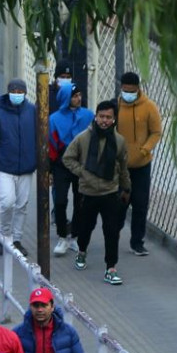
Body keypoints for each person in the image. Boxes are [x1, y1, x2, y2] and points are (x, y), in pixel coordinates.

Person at [63, 101, 131, 285]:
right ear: (96, 116)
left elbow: (123, 167)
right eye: (101, 116)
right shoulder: (83, 138)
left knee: (111, 230)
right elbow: (67, 158)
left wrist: (126, 188)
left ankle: (111, 268)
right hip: (88, 192)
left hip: (110, 192)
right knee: (86, 227)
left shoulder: (119, 141)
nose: (104, 121)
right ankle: (82, 251)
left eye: (108, 117)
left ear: (114, 119)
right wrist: (83, 172)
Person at [0, 79, 37, 256]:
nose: (17, 94)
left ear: (25, 93)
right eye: (15, 91)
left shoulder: (33, 112)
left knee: (22, 205)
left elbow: (41, 138)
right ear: (8, 92)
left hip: (27, 168)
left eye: (21, 92)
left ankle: (17, 239)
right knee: (7, 202)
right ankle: (4, 235)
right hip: (4, 167)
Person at [116, 72, 163, 257]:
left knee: (140, 204)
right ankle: (113, 236)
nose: (128, 94)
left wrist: (145, 149)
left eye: (131, 91)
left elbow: (156, 132)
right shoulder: (116, 106)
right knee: (119, 205)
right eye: (125, 90)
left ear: (138, 89)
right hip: (120, 167)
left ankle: (137, 242)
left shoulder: (149, 107)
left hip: (142, 165)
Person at [47, 82, 93, 255]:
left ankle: (75, 236)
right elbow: (51, 146)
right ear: (66, 98)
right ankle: (62, 236)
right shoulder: (54, 119)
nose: (78, 98)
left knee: (80, 201)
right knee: (60, 201)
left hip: (82, 166)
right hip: (61, 165)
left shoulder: (88, 116)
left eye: (80, 95)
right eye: (74, 96)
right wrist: (50, 170)